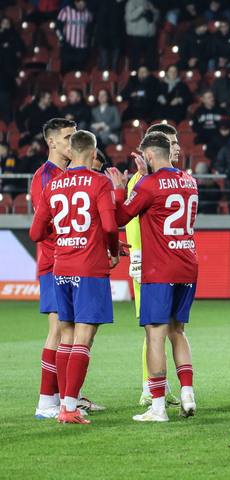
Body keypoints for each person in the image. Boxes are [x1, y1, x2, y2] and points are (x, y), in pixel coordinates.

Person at [29, 130, 119, 424]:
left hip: (61, 267)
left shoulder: (53, 184)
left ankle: (63, 404)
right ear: (93, 153)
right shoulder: (99, 181)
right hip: (88, 266)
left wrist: (64, 234)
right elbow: (110, 226)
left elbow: (35, 232)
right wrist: (112, 250)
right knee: (84, 335)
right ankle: (68, 406)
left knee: (66, 334)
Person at [109, 132, 199, 422]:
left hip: (160, 269)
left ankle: (158, 406)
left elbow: (120, 218)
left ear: (148, 156)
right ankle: (188, 393)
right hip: (187, 264)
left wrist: (120, 190)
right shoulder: (190, 181)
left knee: (155, 335)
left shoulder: (147, 184)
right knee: (178, 331)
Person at [128, 123, 183, 408]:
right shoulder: (141, 180)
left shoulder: (171, 179)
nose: (177, 147)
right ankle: (149, 388)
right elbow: (131, 222)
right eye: (171, 143)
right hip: (149, 265)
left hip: (168, 264)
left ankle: (161, 386)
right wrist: (137, 257)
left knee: (167, 328)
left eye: (176, 142)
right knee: (153, 330)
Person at [29, 118, 75, 420]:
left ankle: (69, 396)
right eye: (68, 137)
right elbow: (47, 224)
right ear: (52, 142)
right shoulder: (45, 177)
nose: (73, 142)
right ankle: (46, 401)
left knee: (71, 329)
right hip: (54, 262)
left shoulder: (68, 175)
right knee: (58, 329)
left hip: (70, 259)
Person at [56, 0, 93, 73]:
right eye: (80, 3)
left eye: (83, 3)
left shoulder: (87, 14)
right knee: (65, 72)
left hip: (81, 49)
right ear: (75, 2)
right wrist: (62, 40)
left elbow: (90, 31)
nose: (82, 5)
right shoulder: (65, 11)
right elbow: (57, 28)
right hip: (68, 48)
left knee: (79, 73)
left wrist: (88, 45)